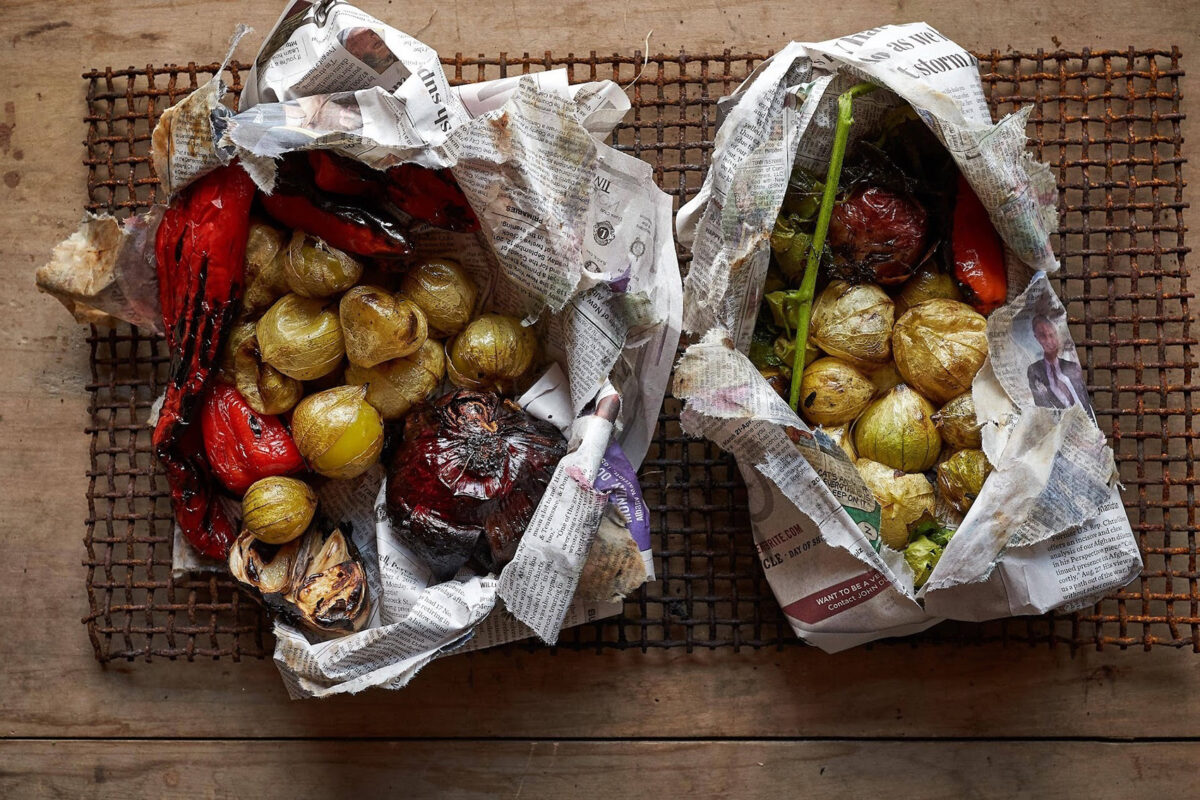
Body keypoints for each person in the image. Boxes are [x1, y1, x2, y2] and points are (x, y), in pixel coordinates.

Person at [1026, 314, 1094, 422]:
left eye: (1051, 335)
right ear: (1037, 338)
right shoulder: (1035, 371)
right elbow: (1043, 407)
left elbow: (1086, 402)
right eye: (1043, 336)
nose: (1049, 341)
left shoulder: (1072, 366)